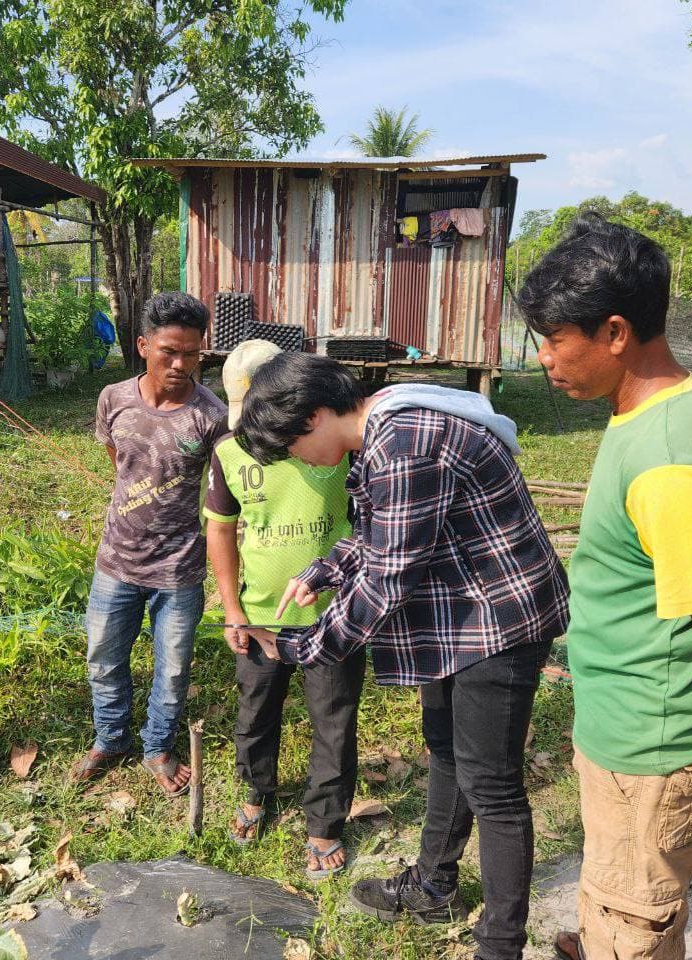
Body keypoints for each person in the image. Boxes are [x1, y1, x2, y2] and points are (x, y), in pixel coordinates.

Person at [235, 355, 570, 960]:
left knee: (492, 785)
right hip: (459, 613)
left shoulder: (405, 440)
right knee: (445, 748)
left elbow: (388, 578)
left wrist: (299, 647)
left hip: (498, 619)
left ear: (313, 417)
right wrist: (324, 571)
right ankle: (435, 884)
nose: (296, 462)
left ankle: (500, 945)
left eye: (289, 447)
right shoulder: (382, 426)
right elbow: (382, 531)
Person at [516, 215, 692, 960]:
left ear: (613, 332)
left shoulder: (670, 457)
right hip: (629, 721)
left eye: (553, 338)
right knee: (616, 892)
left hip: (654, 743)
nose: (543, 358)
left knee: (637, 916)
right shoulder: (648, 413)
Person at [205, 339, 364, 879]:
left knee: (334, 721)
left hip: (332, 618)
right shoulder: (229, 450)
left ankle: (324, 822)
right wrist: (232, 608)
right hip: (259, 615)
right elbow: (220, 530)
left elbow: (368, 522)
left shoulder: (339, 441)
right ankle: (256, 792)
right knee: (255, 713)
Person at [70, 292, 227, 795]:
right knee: (102, 657)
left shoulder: (211, 415)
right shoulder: (114, 399)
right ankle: (110, 738)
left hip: (179, 568)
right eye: (168, 352)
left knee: (174, 667)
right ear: (143, 346)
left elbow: (223, 493)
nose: (180, 364)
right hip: (116, 561)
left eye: (191, 353)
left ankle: (157, 746)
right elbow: (118, 460)